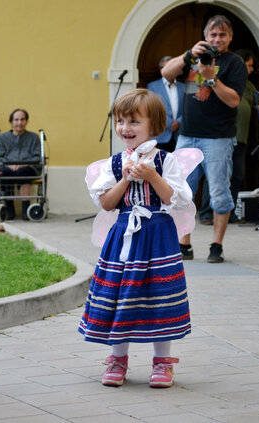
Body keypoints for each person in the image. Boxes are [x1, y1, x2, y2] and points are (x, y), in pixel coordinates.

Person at [78, 88, 194, 388]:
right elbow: (106, 203)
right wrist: (127, 178)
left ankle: (162, 362)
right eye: (120, 121)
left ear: (154, 125)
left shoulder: (166, 161)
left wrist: (153, 176)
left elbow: (176, 201)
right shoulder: (115, 164)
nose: (125, 129)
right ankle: (118, 358)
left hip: (158, 237)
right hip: (124, 235)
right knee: (121, 292)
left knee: (160, 295)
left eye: (133, 122)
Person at [161, 14, 247, 263]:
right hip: (187, 136)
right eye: (213, 34)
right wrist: (188, 54)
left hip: (218, 139)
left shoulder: (235, 63)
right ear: (206, 36)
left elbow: (234, 100)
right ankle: (184, 244)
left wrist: (211, 77)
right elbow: (167, 72)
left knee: (219, 193)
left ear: (230, 37)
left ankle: (216, 245)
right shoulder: (193, 57)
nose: (217, 39)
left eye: (222, 35)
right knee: (182, 191)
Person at [199, 49, 257, 224]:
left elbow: (258, 104)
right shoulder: (224, 79)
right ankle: (207, 213)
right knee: (215, 175)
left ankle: (229, 213)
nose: (252, 69)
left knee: (236, 175)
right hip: (221, 135)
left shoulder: (249, 86)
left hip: (241, 137)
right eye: (249, 65)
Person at [0, 109, 42, 219]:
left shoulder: (33, 138)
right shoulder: (2, 138)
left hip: (27, 168)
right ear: (11, 122)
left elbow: (37, 157)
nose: (19, 123)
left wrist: (24, 164)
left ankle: (26, 209)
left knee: (23, 172)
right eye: (16, 120)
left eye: (22, 119)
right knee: (4, 172)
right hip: (7, 167)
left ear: (26, 121)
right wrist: (9, 165)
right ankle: (9, 209)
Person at [147, 56, 184, 152]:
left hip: (180, 135)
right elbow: (152, 108)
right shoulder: (152, 86)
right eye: (167, 67)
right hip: (161, 135)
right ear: (161, 70)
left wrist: (179, 122)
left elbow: (188, 107)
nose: (170, 69)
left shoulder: (183, 86)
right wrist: (170, 123)